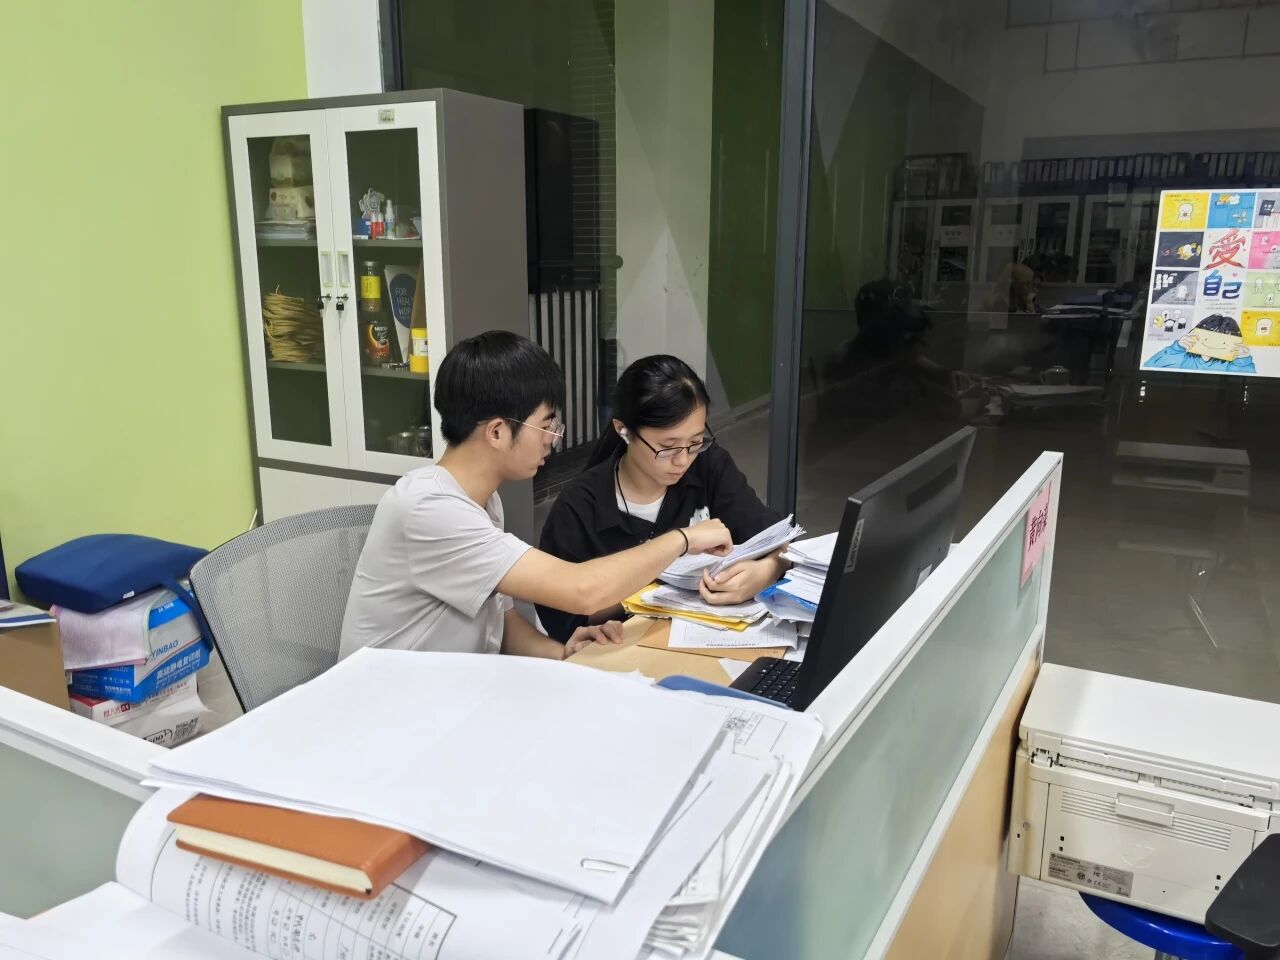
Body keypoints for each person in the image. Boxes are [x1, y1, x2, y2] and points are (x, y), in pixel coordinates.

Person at [338, 332, 732, 662]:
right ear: (496, 432)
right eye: (547, 424)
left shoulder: (481, 501)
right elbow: (582, 590)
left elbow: (502, 622)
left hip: (450, 692)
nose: (553, 439)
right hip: (392, 710)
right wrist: (682, 540)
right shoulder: (429, 510)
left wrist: (563, 654)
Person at [536, 355, 786, 642]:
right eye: (667, 447)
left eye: (695, 442)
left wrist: (767, 571)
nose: (683, 460)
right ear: (623, 431)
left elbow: (776, 540)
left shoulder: (708, 467)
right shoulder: (580, 507)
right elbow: (562, 617)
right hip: (623, 650)